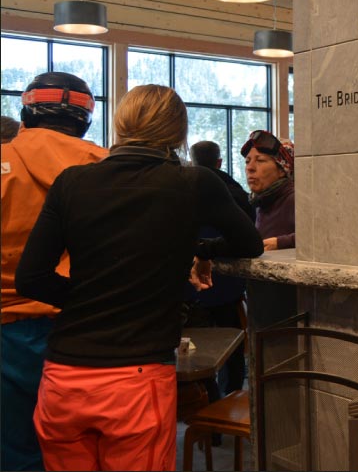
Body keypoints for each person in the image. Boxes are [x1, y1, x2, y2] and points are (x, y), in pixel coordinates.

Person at [15, 85, 263, 471]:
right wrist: (202, 250)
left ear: (119, 124)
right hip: (137, 378)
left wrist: (87, 299)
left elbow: (30, 278)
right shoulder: (193, 182)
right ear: (178, 134)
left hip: (64, 377)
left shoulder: (71, 182)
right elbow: (249, 242)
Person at [1, 73, 108, 471]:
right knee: (91, 451)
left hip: (10, 332)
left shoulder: (3, 167)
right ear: (85, 120)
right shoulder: (111, 168)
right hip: (96, 330)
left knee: (17, 452)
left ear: (26, 112)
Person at [185, 140, 253, 398]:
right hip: (229, 286)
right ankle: (233, 400)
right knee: (232, 349)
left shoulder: (182, 188)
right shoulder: (234, 191)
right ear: (220, 162)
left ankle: (206, 410)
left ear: (192, 162)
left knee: (195, 352)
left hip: (192, 288)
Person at [240, 129, 296, 328]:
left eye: (260, 160)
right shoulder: (263, 201)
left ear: (282, 168)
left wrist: (281, 242)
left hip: (287, 314)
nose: (250, 168)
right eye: (247, 161)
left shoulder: (293, 199)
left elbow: (323, 237)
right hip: (263, 306)